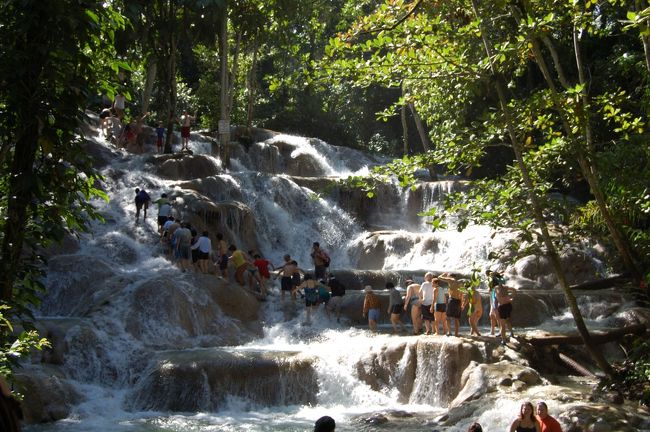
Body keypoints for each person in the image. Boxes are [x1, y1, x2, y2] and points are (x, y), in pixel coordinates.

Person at [496, 280, 517, 345]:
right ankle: (507, 337)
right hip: (504, 306)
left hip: (506, 306)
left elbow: (514, 290)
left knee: (505, 322)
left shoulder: (504, 287)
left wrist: (512, 298)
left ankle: (506, 337)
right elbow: (514, 290)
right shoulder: (498, 288)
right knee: (505, 323)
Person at [486, 269, 503, 335]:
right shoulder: (492, 285)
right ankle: (492, 331)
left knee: (496, 315)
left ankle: (500, 331)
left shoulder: (496, 287)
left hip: (494, 300)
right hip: (492, 300)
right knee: (492, 315)